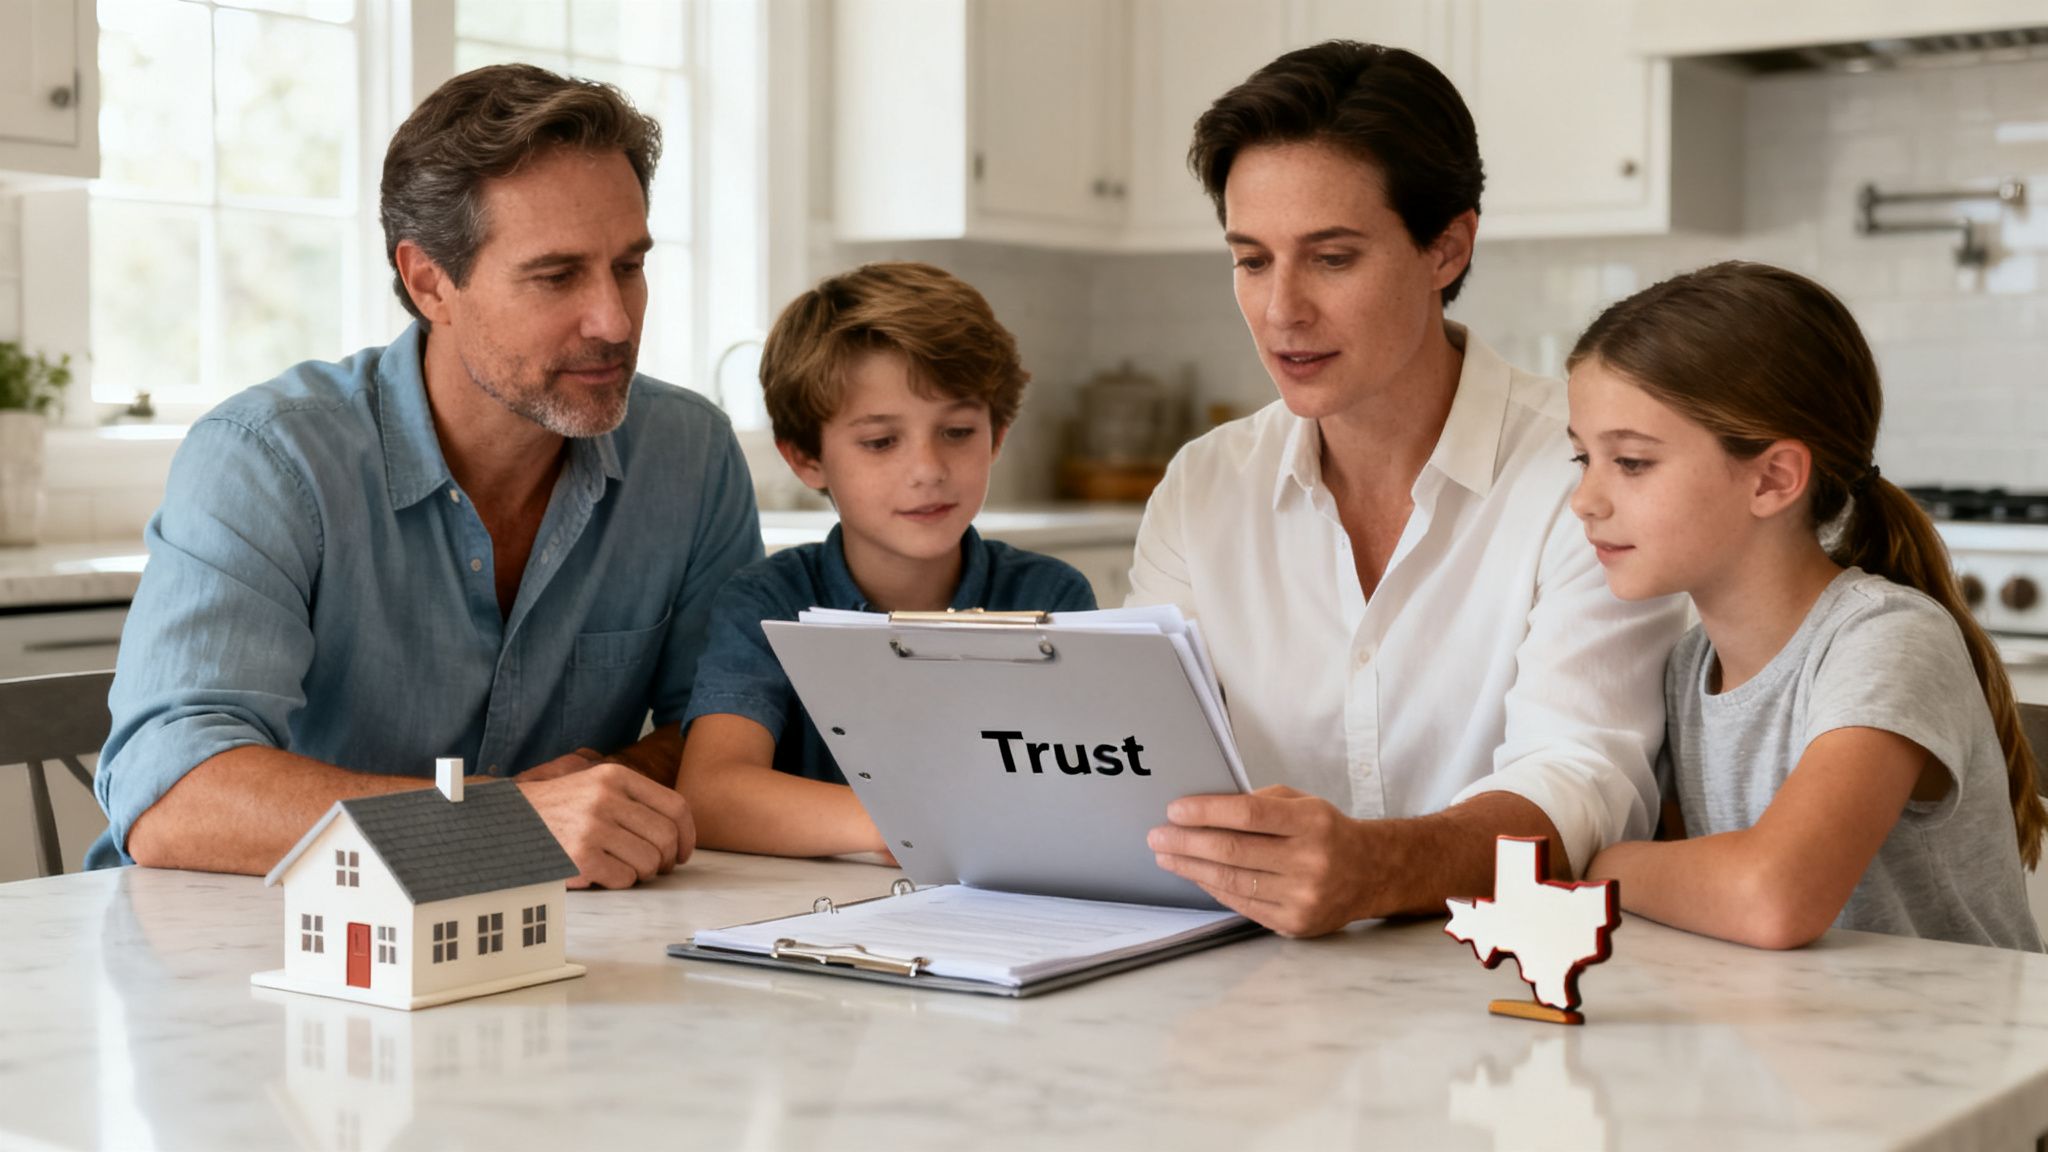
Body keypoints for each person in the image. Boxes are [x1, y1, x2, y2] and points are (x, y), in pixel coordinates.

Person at [88, 64, 764, 889]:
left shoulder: (689, 456)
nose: (615, 321)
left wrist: (605, 789)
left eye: (628, 265)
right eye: (557, 276)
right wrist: (494, 824)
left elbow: (731, 722)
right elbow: (173, 794)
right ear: (429, 282)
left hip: (560, 940)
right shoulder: (267, 458)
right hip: (253, 947)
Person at [1134, 41, 1689, 938]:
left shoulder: (1582, 476)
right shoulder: (1204, 488)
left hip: (1512, 999)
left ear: (1446, 247)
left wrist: (1378, 867)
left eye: (1332, 258)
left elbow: (1585, 782)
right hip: (1251, 997)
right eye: (1251, 260)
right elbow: (1146, 762)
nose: (1281, 312)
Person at [1571, 262, 2045, 951]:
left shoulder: (1886, 641)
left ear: (1773, 479)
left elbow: (1774, 897)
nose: (1585, 499)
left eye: (1633, 462)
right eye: (1580, 458)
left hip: (1957, 1051)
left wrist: (1598, 863)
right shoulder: (1687, 667)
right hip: (1803, 1043)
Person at [676, 262, 1096, 857]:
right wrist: (918, 824)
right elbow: (713, 794)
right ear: (804, 459)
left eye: (957, 431)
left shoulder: (1051, 598)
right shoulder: (767, 604)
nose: (928, 469)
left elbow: (1084, 794)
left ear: (997, 435)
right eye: (880, 442)